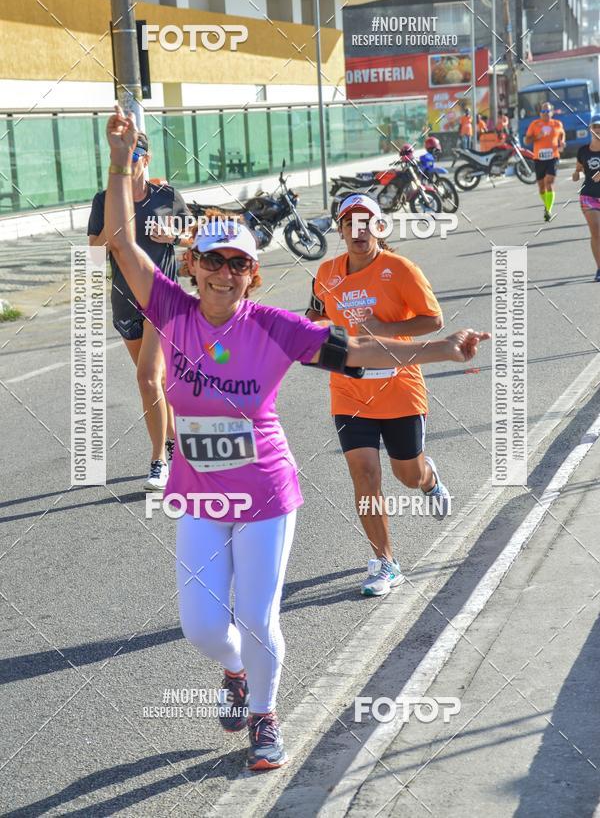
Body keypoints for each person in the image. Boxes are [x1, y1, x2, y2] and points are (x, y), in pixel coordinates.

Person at [103, 106, 489, 770]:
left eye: (238, 264)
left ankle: (264, 715)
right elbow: (119, 239)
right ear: (193, 265)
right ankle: (234, 672)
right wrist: (119, 163)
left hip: (264, 496)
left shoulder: (275, 327)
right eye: (213, 260)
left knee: (258, 618)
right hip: (200, 498)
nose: (224, 272)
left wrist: (441, 347)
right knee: (203, 626)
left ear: (252, 274)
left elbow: (359, 351)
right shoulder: (170, 309)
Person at [305, 193, 451, 597]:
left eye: (365, 222)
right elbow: (315, 315)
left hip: (400, 388)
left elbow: (433, 320)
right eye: (349, 223)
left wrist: (384, 330)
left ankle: (428, 478)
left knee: (407, 475)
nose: (358, 230)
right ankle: (385, 562)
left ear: (379, 227)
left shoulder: (400, 269)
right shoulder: (326, 273)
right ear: (340, 231)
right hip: (349, 391)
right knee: (365, 473)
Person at [88, 130, 190, 491]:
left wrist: (173, 235)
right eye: (122, 158)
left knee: (147, 379)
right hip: (124, 301)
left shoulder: (167, 196)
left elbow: (193, 235)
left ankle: (158, 461)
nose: (128, 164)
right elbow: (92, 254)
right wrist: (115, 226)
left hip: (162, 301)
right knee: (157, 382)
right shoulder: (104, 200)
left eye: (134, 158)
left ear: (146, 160)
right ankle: (177, 442)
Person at [524, 102, 565, 222]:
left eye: (547, 111)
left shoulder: (557, 124)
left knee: (549, 182)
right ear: (540, 113)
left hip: (553, 157)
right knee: (542, 187)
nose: (545, 113)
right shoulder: (534, 124)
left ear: (552, 112)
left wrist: (562, 142)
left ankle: (549, 210)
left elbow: (562, 134)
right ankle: (547, 205)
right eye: (543, 111)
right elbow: (527, 141)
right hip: (539, 158)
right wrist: (538, 136)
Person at [572, 119, 600, 281]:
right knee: (596, 231)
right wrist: (576, 174)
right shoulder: (583, 151)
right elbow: (578, 169)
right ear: (590, 129)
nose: (598, 129)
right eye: (595, 126)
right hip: (589, 196)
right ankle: (599, 268)